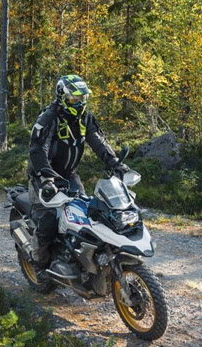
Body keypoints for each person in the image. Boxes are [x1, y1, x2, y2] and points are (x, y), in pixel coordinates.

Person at [27, 75, 130, 277]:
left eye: (83, 98)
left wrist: (113, 161)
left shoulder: (85, 117)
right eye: (75, 99)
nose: (80, 103)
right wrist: (46, 177)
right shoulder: (48, 118)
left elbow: (98, 140)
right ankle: (38, 264)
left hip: (69, 175)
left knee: (87, 215)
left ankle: (80, 259)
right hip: (43, 177)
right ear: (62, 97)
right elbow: (38, 149)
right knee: (48, 221)